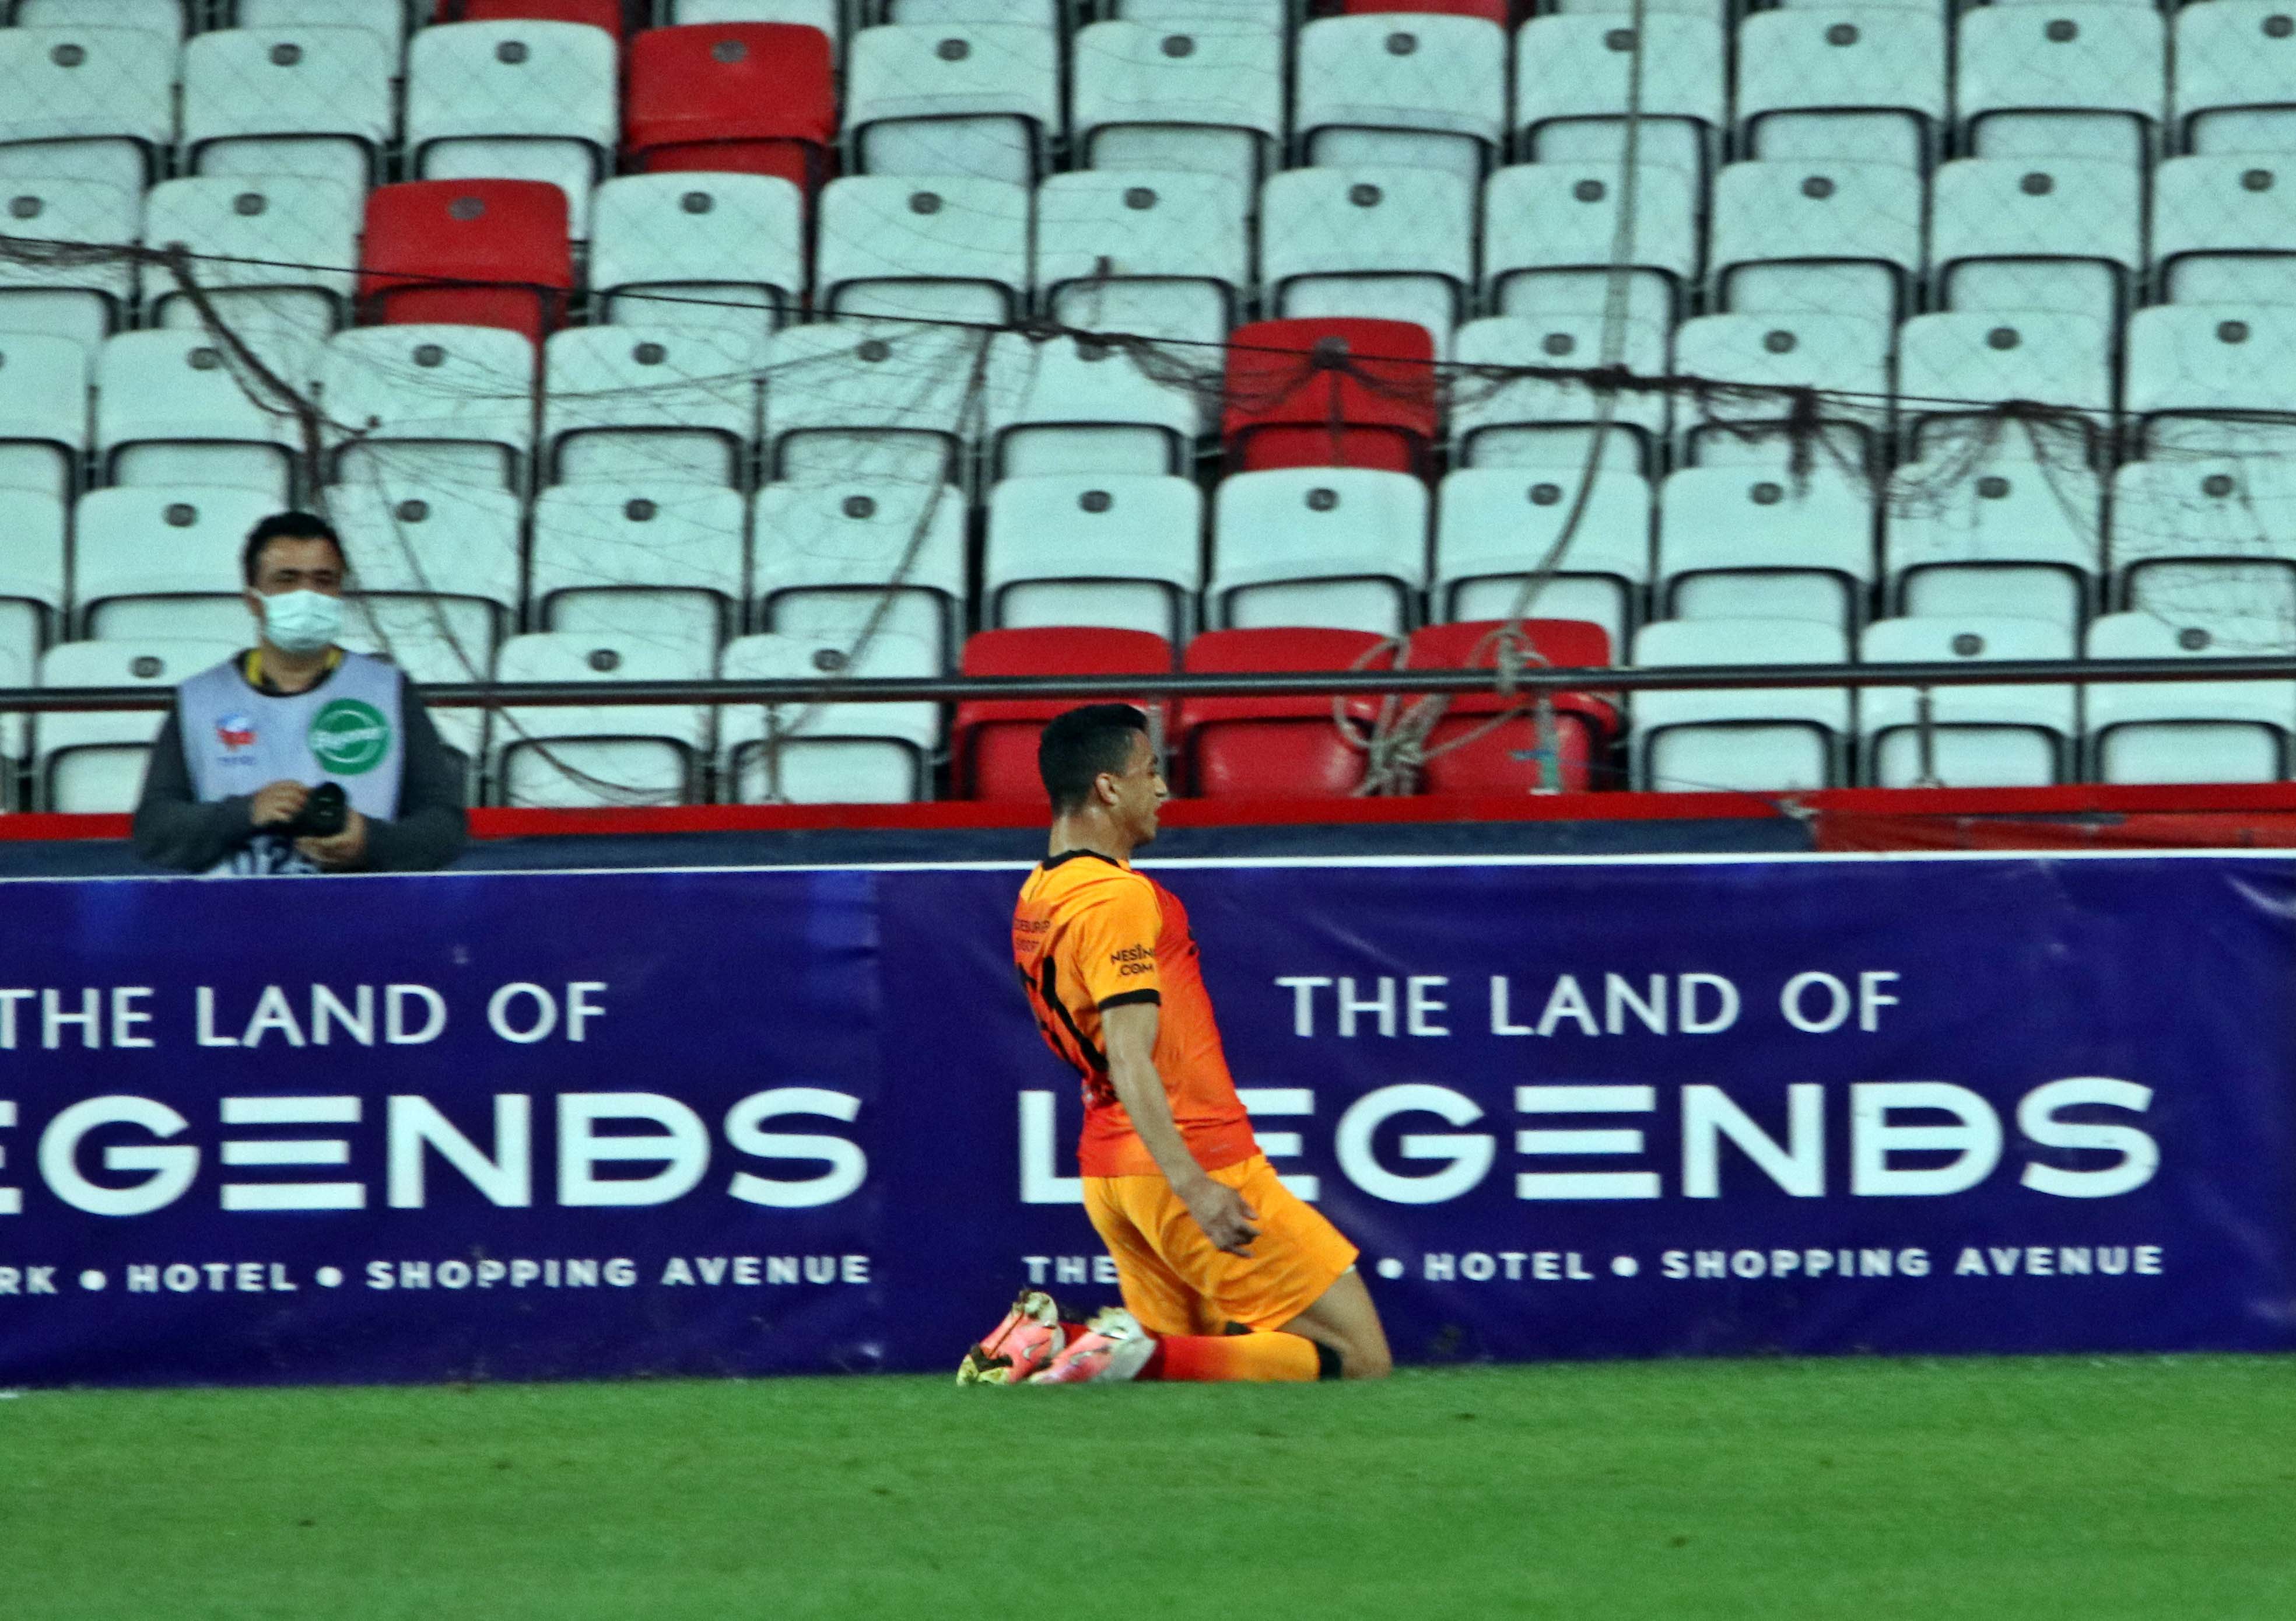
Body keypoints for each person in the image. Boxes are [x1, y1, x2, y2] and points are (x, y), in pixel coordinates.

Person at [961, 703, 1392, 1386]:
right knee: (1362, 1359)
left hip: (1111, 1171)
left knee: (1189, 1370)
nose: (1162, 790)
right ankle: (1093, 1343)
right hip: (1187, 1157)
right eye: (1151, 772)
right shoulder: (1118, 899)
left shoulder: (1041, 891)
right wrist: (1195, 1185)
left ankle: (1063, 1344)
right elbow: (1131, 1054)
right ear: (1108, 787)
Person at [132, 510, 467, 876]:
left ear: (340, 591)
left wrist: (369, 842)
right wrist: (245, 813)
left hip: (359, 917)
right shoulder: (199, 699)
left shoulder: (388, 691)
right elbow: (154, 829)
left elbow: (445, 826)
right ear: (253, 598)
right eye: (286, 579)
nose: (307, 595)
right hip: (232, 918)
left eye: (323, 580)